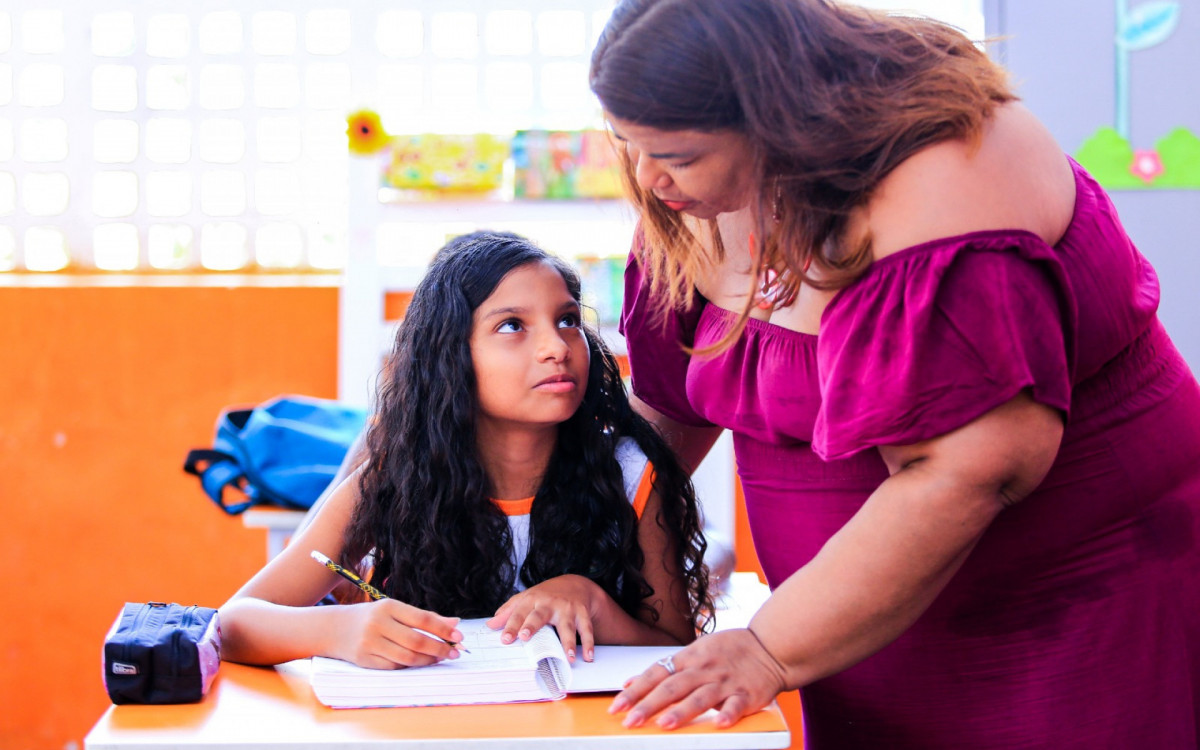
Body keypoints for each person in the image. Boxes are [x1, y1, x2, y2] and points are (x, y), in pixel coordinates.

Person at [589, 0, 1200, 746]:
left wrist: (769, 645)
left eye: (676, 155)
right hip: (848, 622)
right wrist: (573, 550)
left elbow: (966, 472)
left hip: (1075, 605)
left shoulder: (949, 172)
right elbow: (666, 414)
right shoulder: (691, 179)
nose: (650, 180)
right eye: (629, 145)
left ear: (773, 120)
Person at [219, 231, 712, 668]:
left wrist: (595, 605)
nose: (557, 347)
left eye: (566, 320)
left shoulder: (631, 474)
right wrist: (338, 630)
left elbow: (676, 644)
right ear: (452, 358)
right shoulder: (396, 479)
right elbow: (235, 623)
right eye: (513, 326)